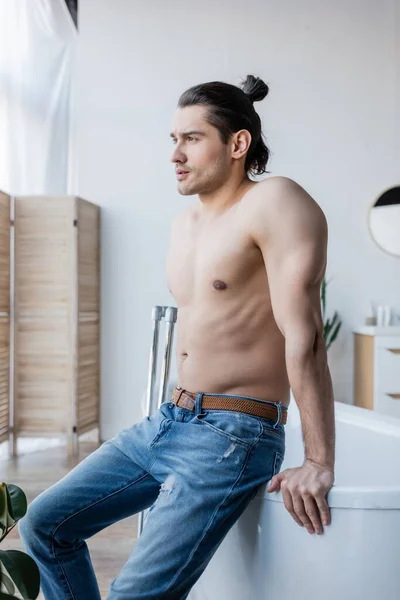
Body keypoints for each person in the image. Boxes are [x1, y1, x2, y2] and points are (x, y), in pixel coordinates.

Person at [18, 74, 335, 600]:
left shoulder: (275, 202)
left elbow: (305, 335)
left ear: (238, 144)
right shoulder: (184, 224)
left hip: (233, 433)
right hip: (170, 419)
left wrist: (319, 460)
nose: (175, 154)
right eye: (173, 140)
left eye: (191, 138)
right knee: (45, 526)